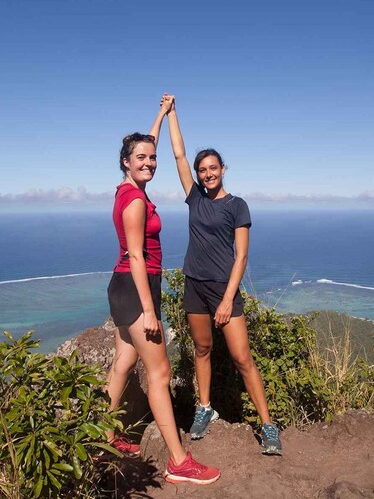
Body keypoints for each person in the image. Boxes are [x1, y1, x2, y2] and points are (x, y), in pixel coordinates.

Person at [104, 105, 220, 485]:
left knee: (123, 363)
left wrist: (162, 114)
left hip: (122, 287)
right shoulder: (136, 201)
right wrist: (150, 310)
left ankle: (103, 437)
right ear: (125, 162)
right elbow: (136, 255)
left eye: (152, 158)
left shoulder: (127, 190)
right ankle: (178, 461)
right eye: (141, 158)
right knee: (160, 371)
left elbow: (148, 144)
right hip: (137, 288)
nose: (150, 162)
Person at [161, 93, 282, 455]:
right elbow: (179, 155)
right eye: (203, 170)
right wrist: (172, 114)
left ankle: (268, 425)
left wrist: (228, 299)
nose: (207, 173)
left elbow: (241, 256)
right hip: (194, 285)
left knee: (243, 358)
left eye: (213, 168)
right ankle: (204, 407)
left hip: (223, 289)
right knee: (201, 348)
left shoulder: (237, 205)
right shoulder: (194, 198)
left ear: (224, 169)